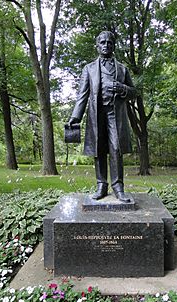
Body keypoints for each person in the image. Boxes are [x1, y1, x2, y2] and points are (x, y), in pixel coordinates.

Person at [68, 31, 136, 202]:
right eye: (103, 42)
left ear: (113, 46)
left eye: (109, 42)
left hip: (116, 114)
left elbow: (134, 92)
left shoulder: (122, 69)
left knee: (116, 149)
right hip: (96, 114)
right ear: (97, 46)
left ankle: (118, 187)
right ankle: (101, 185)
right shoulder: (89, 69)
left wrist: (123, 89)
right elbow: (82, 95)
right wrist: (75, 117)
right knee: (99, 150)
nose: (106, 45)